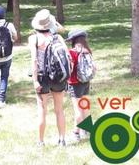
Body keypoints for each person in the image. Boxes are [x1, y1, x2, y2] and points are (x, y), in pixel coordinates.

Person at [29, 9, 69, 147]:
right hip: (58, 76)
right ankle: (62, 140)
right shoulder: (58, 38)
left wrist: (34, 81)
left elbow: (34, 61)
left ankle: (40, 141)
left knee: (42, 109)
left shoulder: (34, 39)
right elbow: (67, 57)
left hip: (42, 77)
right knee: (59, 109)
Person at [66, 29, 92, 141]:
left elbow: (70, 69)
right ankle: (87, 130)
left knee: (77, 109)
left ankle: (76, 133)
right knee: (84, 107)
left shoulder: (72, 52)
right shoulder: (87, 51)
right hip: (86, 82)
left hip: (75, 83)